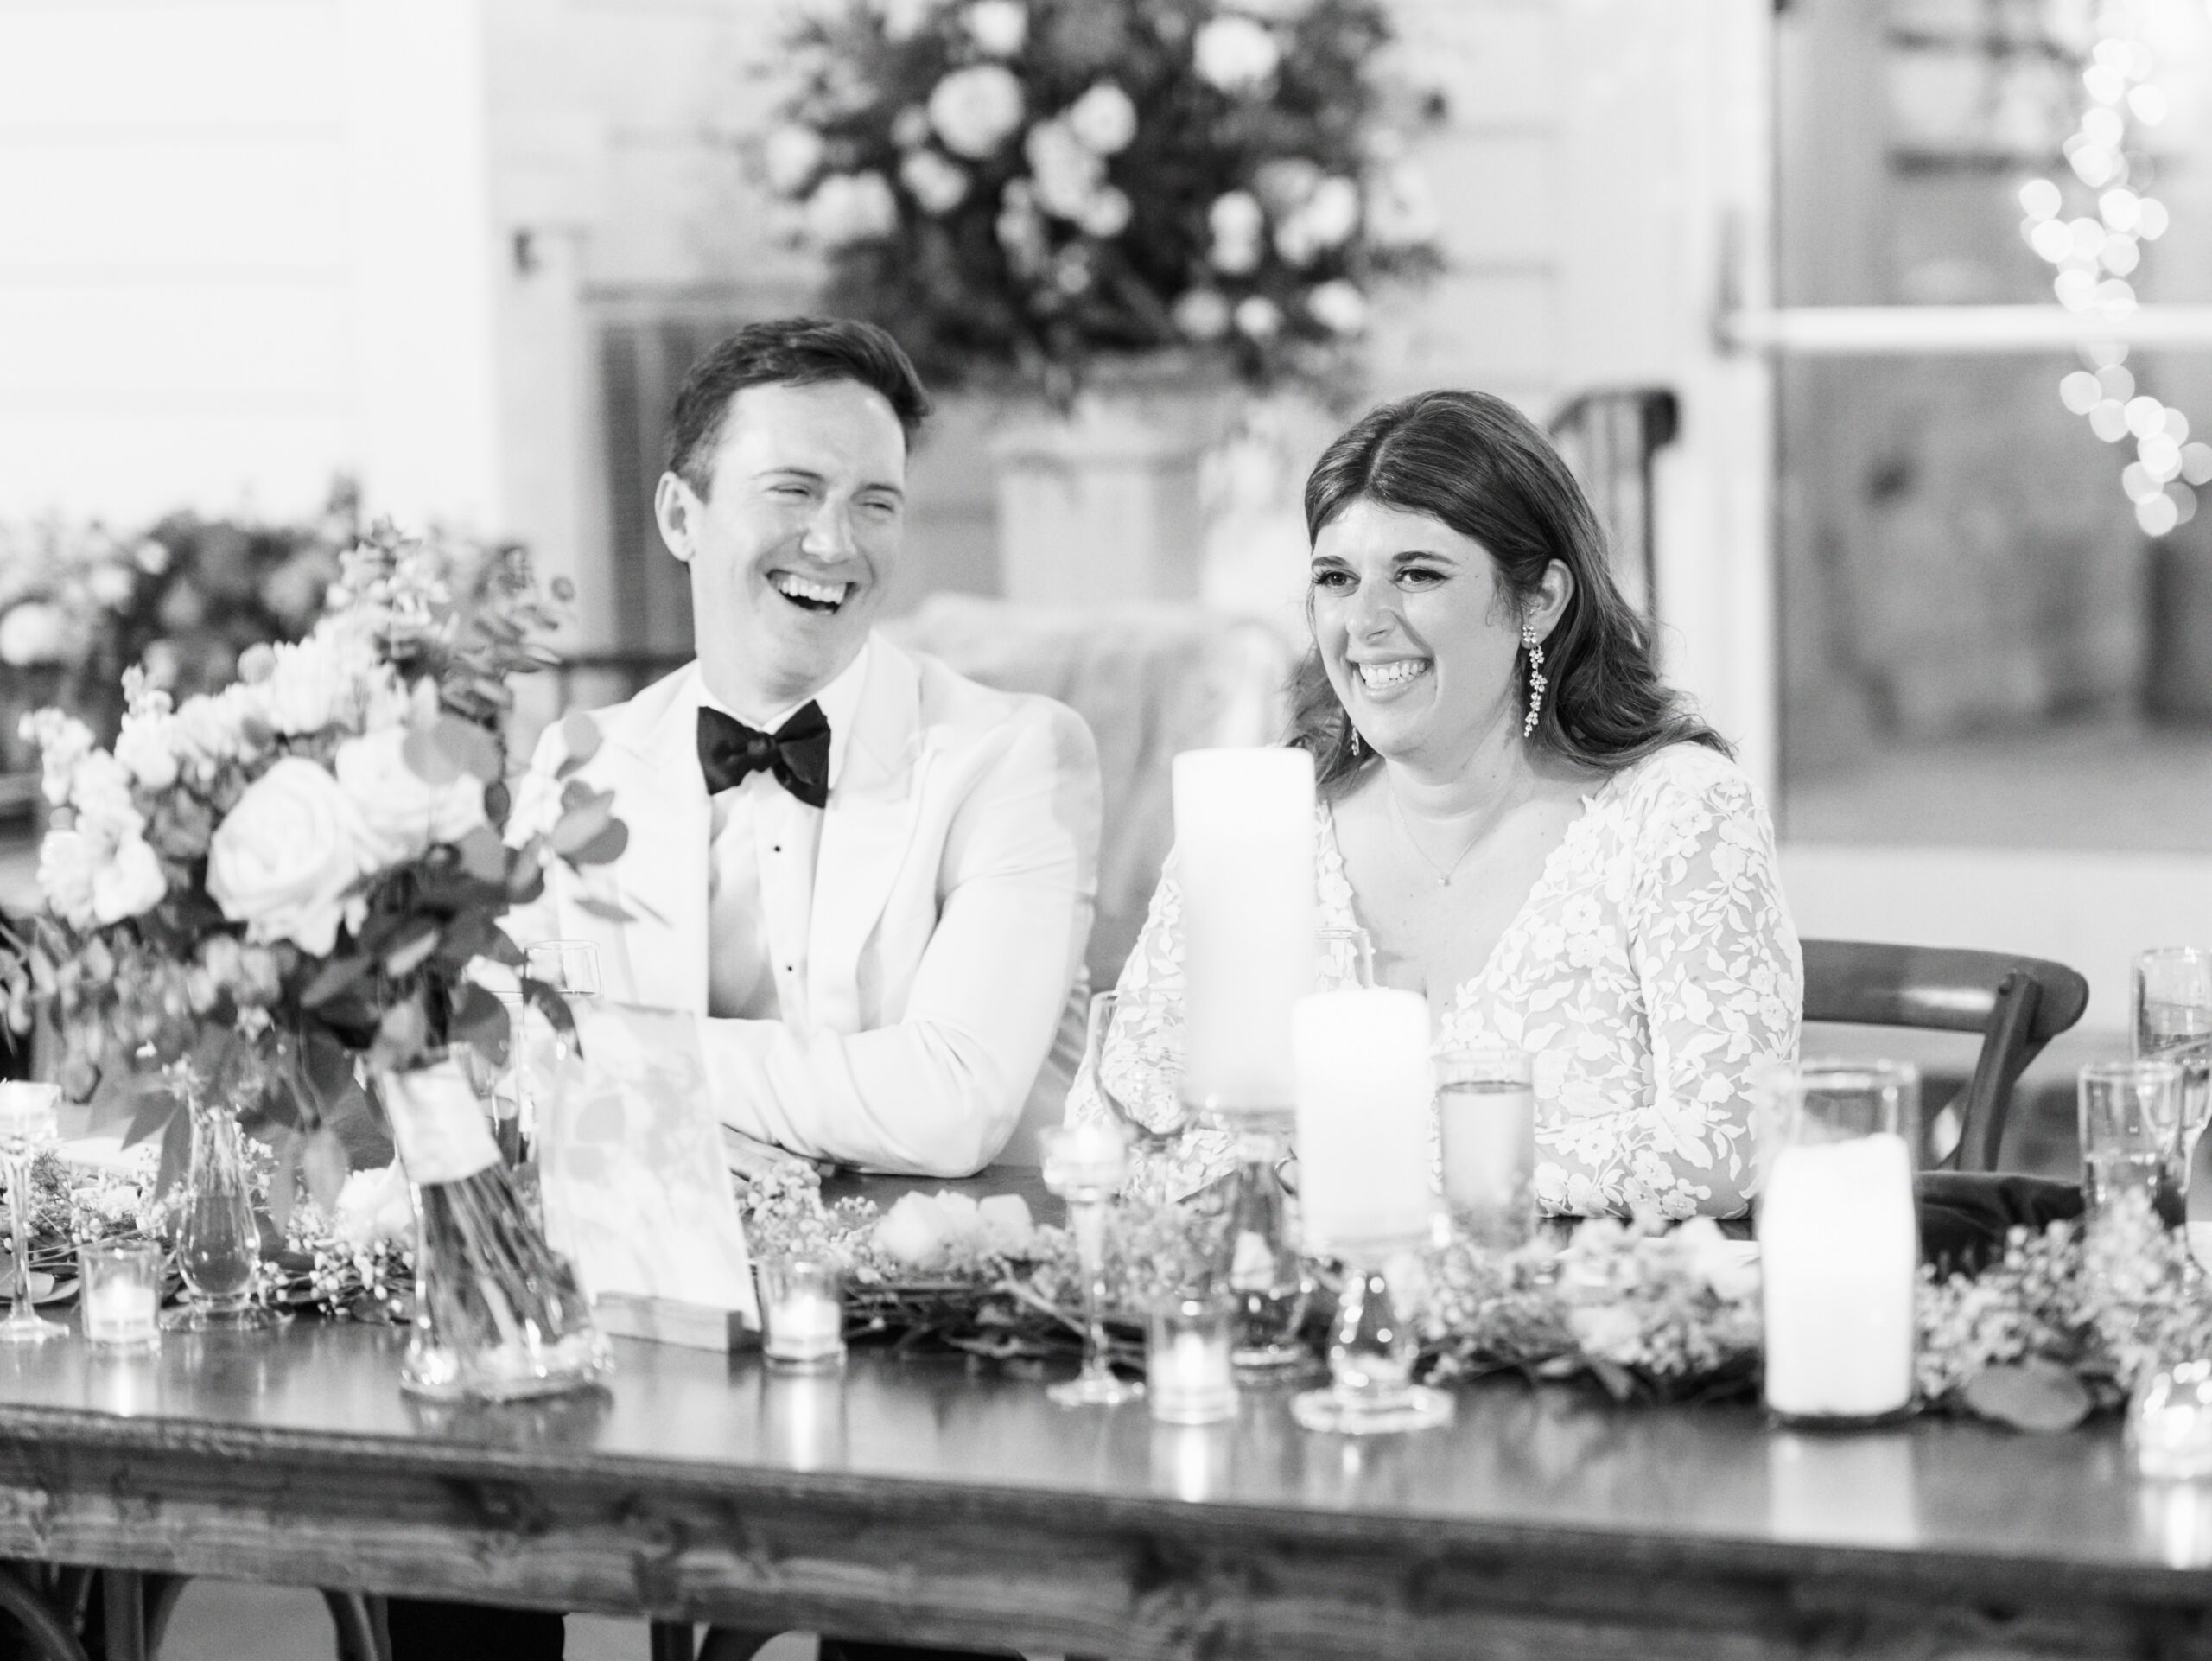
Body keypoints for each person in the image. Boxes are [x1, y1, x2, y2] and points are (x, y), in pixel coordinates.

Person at [1070, 389, 1801, 1218]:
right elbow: (1116, 1123)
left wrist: (1391, 1160)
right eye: (1336, 579)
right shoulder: (1266, 819)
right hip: (1303, 1328)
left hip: (1574, 1332)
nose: (1365, 622)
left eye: (1417, 574)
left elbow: (1730, 1147)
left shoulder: (1677, 813)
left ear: (1540, 600)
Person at [508, 316, 1102, 1179]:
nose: (836, 543)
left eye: (875, 502)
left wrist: (625, 1052)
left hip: (958, 1281)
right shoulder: (582, 765)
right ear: (681, 516)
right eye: (793, 490)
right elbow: (513, 1053)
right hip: (680, 1281)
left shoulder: (1013, 757)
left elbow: (951, 1103)